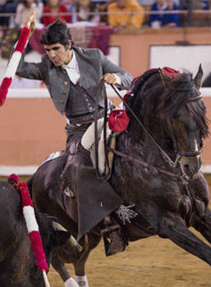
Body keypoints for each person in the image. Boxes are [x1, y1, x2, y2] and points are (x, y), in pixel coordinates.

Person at [11, 12, 133, 254]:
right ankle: (109, 226)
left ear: (68, 45)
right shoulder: (46, 67)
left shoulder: (94, 57)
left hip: (106, 120)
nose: (51, 55)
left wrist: (115, 77)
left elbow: (128, 78)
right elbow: (16, 67)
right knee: (77, 167)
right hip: (78, 131)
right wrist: (24, 36)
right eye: (47, 50)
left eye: (56, 49)